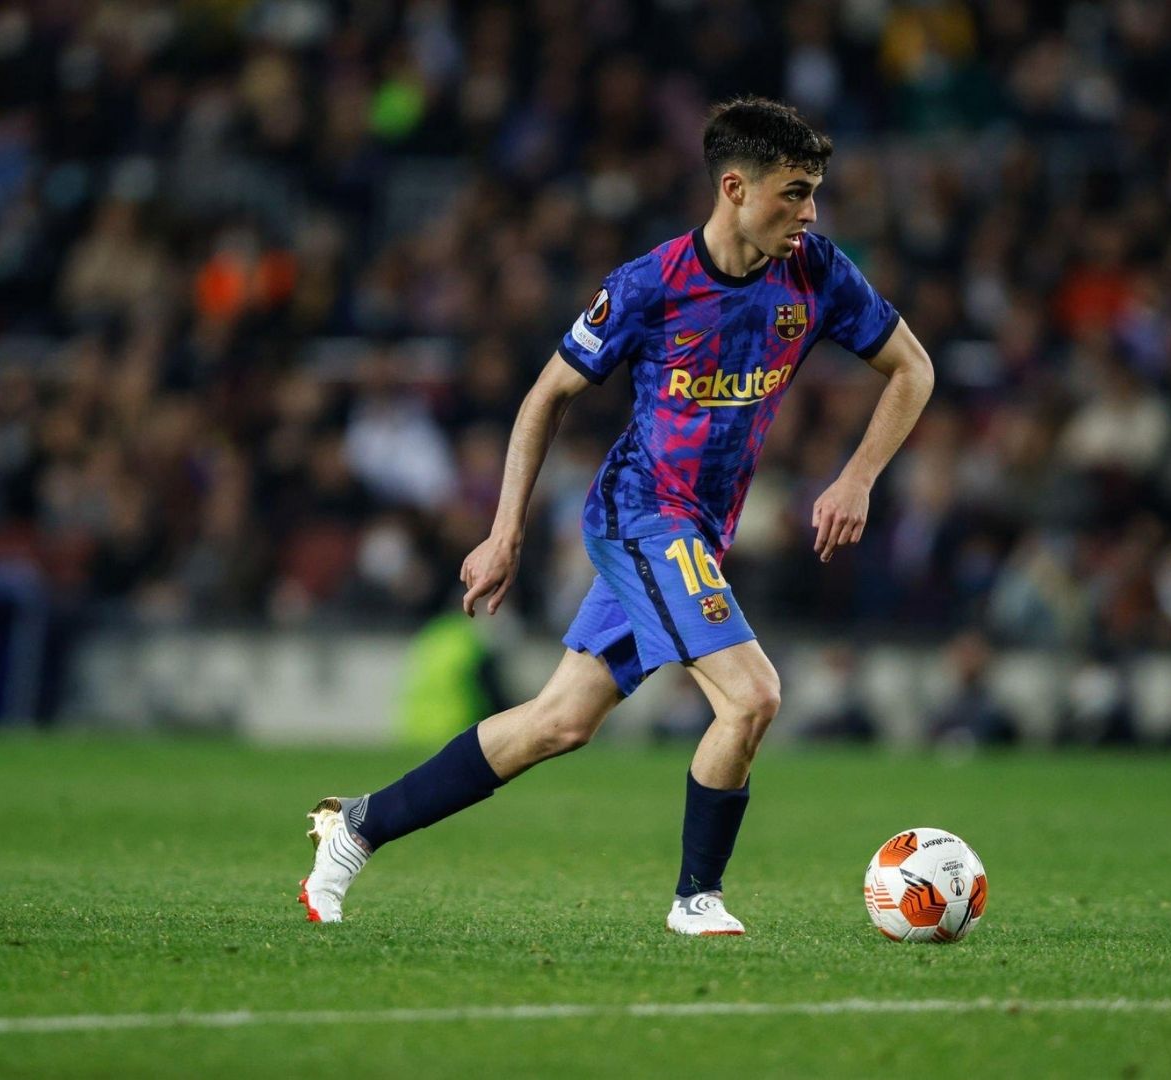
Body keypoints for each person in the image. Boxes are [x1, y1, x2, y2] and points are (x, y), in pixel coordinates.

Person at [297, 98, 935, 934]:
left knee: (557, 723)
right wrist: (505, 530)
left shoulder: (815, 273)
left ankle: (356, 828)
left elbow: (913, 369)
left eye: (815, 191)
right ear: (735, 188)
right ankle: (695, 900)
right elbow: (545, 396)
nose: (810, 212)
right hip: (642, 516)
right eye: (795, 192)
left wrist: (856, 478)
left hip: (698, 532)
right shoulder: (650, 286)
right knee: (751, 697)